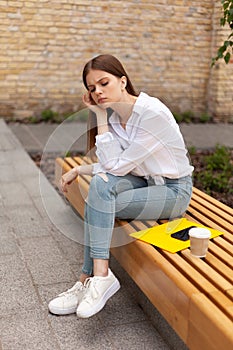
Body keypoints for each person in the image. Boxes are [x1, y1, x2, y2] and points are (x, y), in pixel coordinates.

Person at [48, 54, 194, 318]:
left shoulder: (152, 114)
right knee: (100, 187)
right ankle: (95, 278)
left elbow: (116, 167)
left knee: (99, 195)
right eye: (92, 88)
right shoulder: (116, 120)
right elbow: (116, 164)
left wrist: (99, 116)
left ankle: (89, 278)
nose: (98, 92)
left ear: (123, 80)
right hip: (144, 181)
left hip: (173, 192)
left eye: (104, 83)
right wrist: (81, 168)